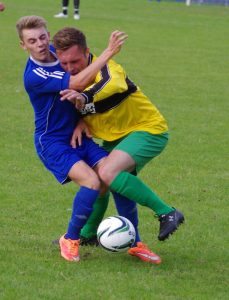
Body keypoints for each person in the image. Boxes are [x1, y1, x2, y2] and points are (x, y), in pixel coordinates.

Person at [16, 16, 161, 264]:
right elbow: (77, 82)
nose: (40, 44)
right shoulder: (35, 74)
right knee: (93, 182)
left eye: (42, 37)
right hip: (52, 142)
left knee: (113, 178)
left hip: (78, 136)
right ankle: (70, 239)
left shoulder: (57, 52)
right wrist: (108, 53)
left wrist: (83, 118)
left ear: (48, 35)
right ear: (23, 45)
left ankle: (135, 242)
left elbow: (79, 76)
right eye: (32, 40)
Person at [53, 27, 185, 245]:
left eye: (75, 61)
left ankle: (167, 212)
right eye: (64, 63)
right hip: (115, 139)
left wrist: (84, 97)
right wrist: (79, 120)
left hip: (148, 130)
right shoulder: (68, 78)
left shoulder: (108, 69)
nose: (70, 69)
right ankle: (88, 234)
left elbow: (112, 84)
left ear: (87, 52)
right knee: (100, 181)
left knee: (107, 171)